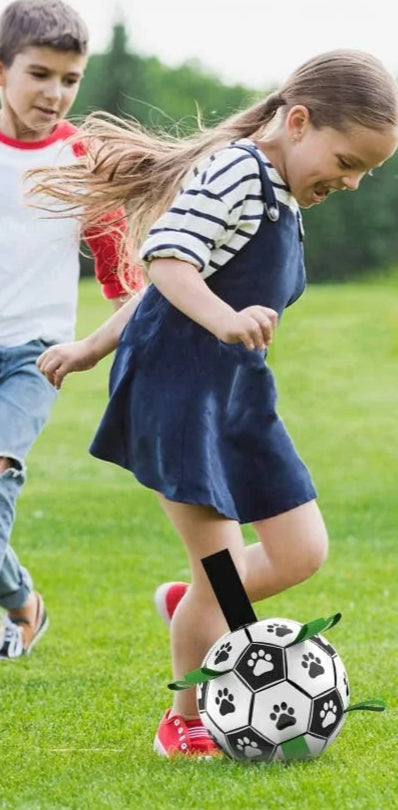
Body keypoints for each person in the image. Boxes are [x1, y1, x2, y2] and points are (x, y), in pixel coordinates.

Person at [35, 48, 398, 756]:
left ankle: (192, 607)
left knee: (300, 551)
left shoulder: (283, 192)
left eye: (368, 171)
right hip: (177, 392)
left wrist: (91, 345)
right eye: (348, 158)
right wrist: (220, 320)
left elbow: (166, 282)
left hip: (236, 395)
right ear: (298, 122)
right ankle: (185, 716)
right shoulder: (237, 169)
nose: (354, 181)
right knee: (224, 576)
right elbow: (168, 260)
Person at [0, 0, 136, 660]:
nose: (55, 93)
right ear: (2, 71)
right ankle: (22, 599)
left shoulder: (82, 161)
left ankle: (19, 605)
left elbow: (121, 277)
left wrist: (112, 349)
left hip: (33, 356)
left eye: (70, 78)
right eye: (40, 74)